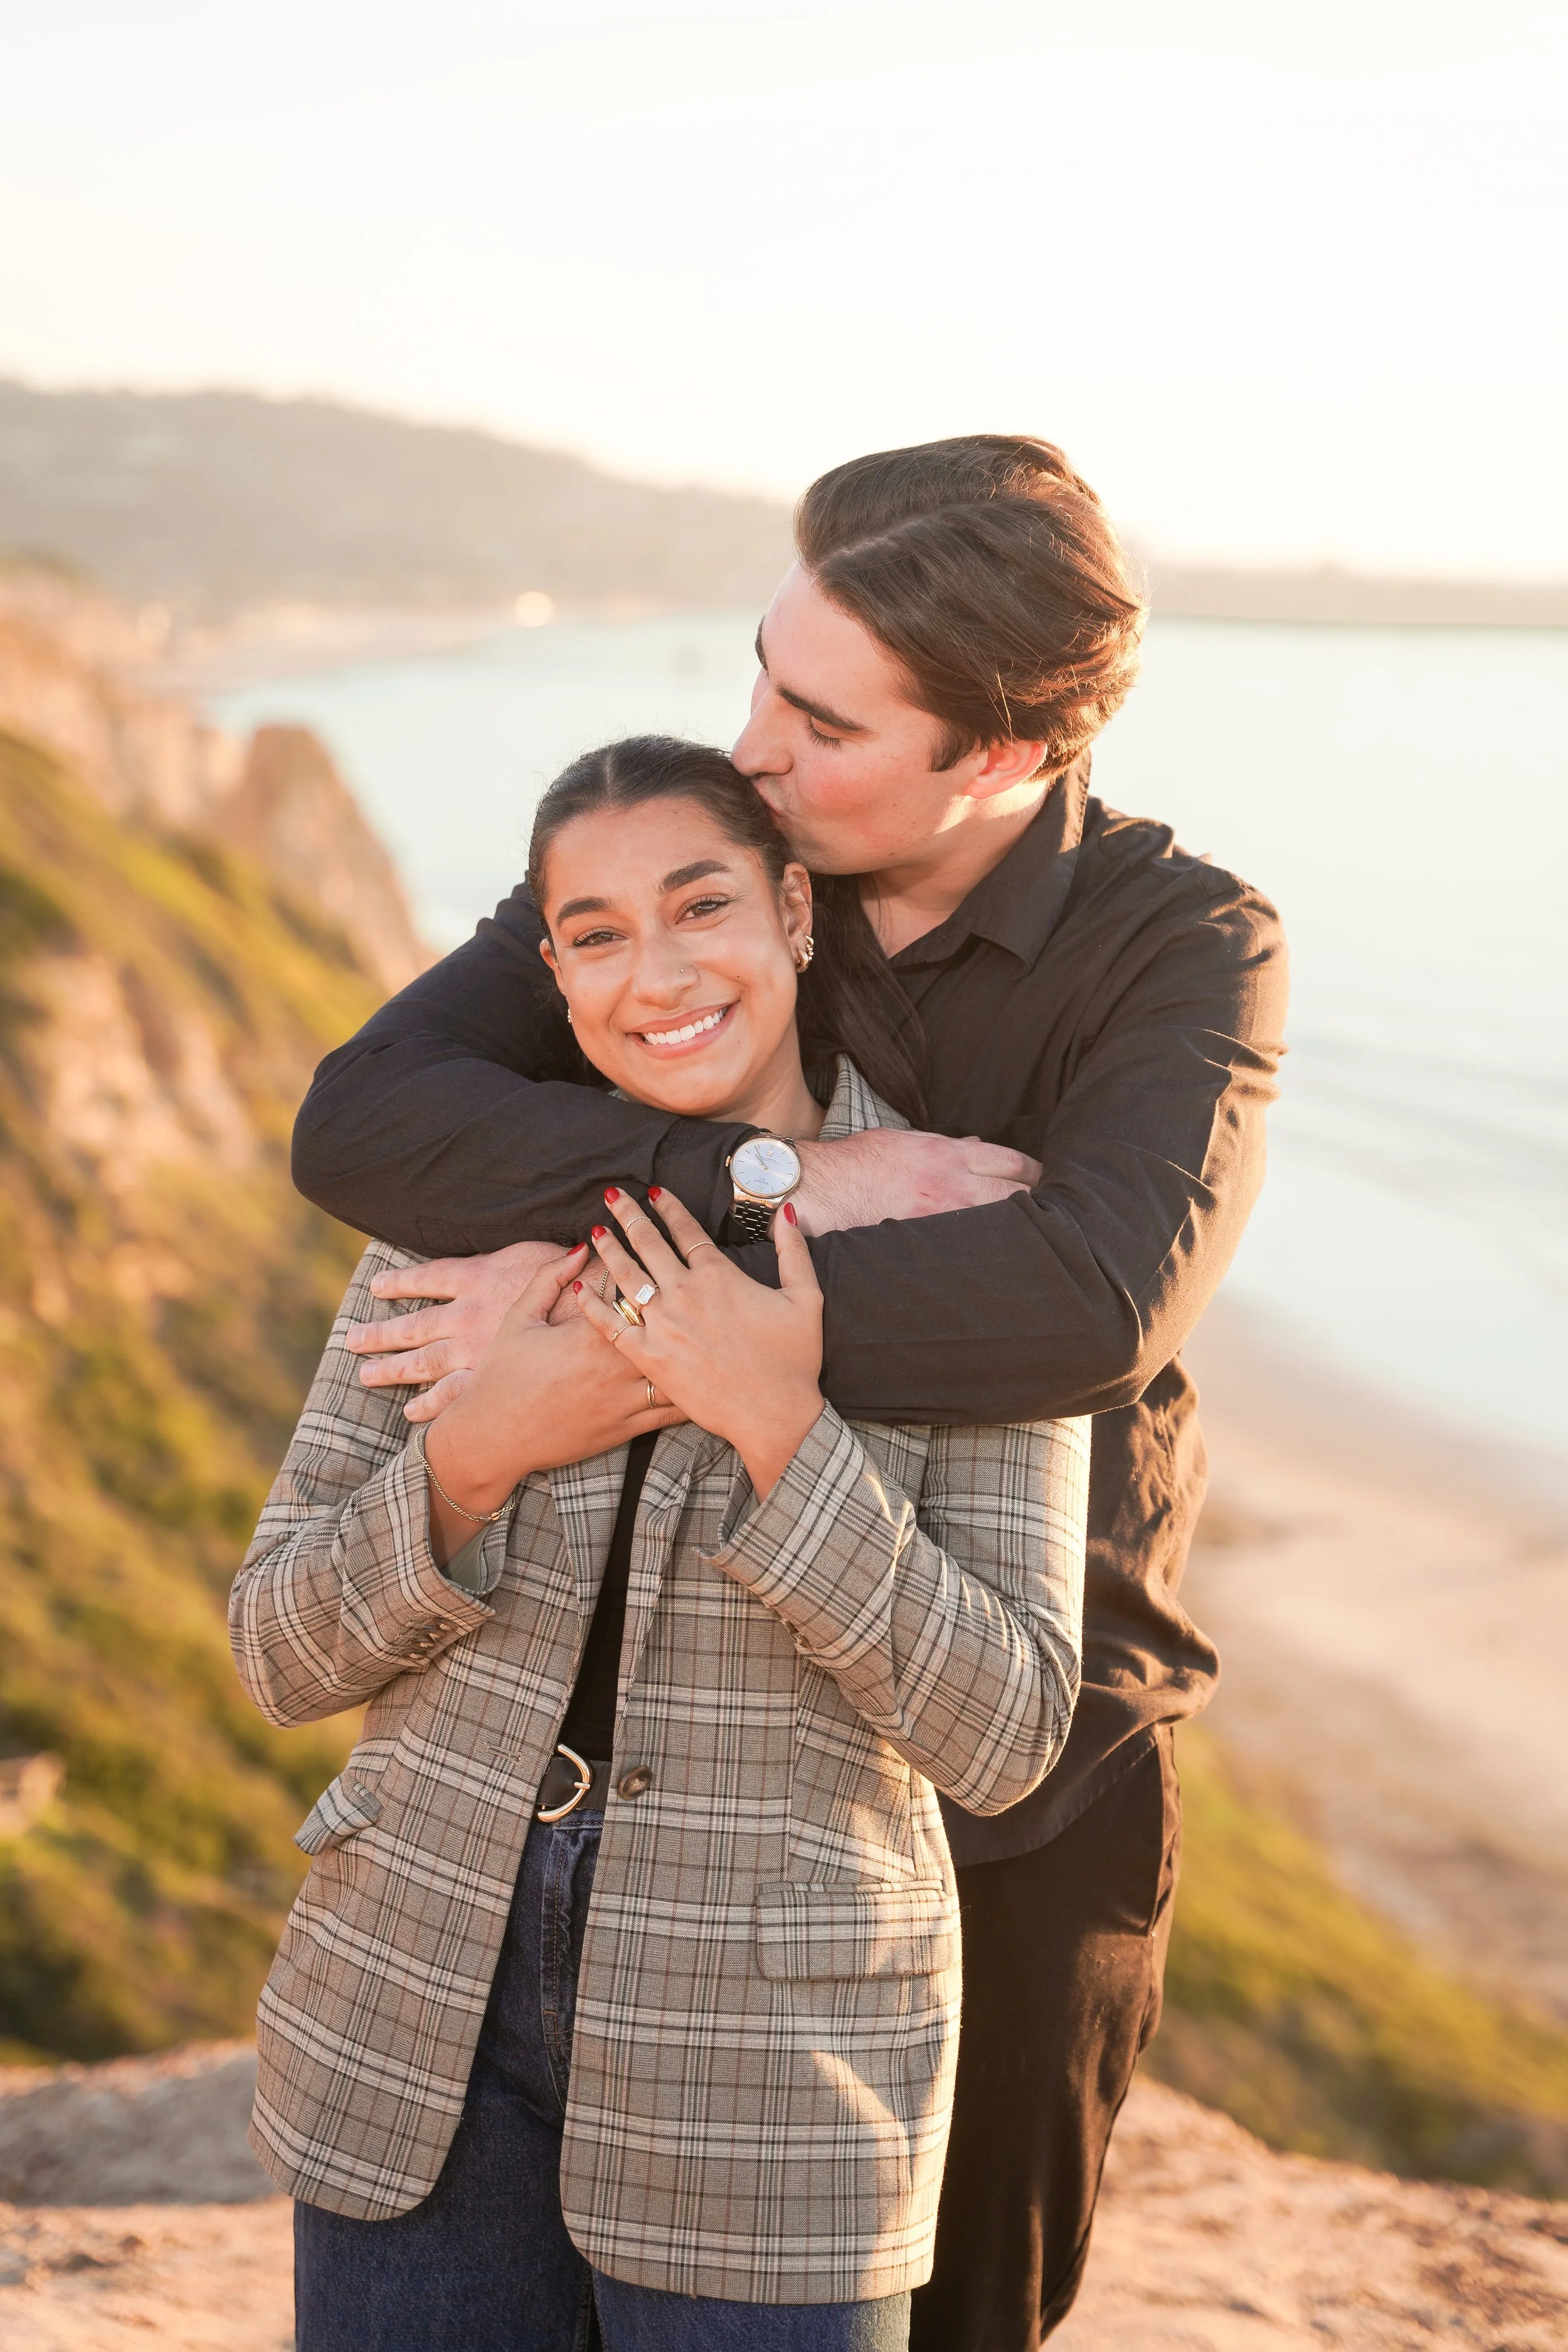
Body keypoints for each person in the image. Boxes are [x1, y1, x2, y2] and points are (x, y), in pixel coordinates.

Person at [291, 435, 1290, 2348]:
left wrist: (589, 1286)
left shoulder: (1184, 948)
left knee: (963, 2313)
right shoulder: (710, 867)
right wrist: (775, 1184)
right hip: (662, 1744)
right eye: (759, 667)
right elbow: (368, 1118)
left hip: (1019, 1741)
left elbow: (1086, 1297)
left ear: (999, 754)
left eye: (819, 720)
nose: (749, 741)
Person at [233, 737, 1090, 2352]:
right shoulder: (458, 1205)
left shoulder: (963, 1217)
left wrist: (780, 1426)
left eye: (701, 907)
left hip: (771, 2078)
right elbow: (277, 1648)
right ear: (551, 970)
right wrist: (483, 1450)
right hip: (411, 2011)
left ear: (791, 912)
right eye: (599, 933)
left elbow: (1009, 1731)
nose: (659, 974)